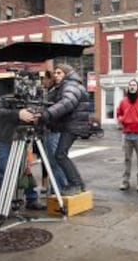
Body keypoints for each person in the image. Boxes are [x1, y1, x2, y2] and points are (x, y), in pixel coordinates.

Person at [37, 64, 91, 196]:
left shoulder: (70, 85)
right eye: (55, 73)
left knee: (60, 155)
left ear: (67, 74)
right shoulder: (65, 86)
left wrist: (48, 114)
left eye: (59, 73)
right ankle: (78, 184)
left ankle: (76, 184)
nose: (55, 75)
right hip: (71, 125)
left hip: (72, 125)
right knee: (61, 155)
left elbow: (67, 103)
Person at [0, 94, 43, 210]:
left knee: (24, 169)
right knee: (5, 169)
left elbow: (36, 111)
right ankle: (4, 202)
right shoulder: (4, 95)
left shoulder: (29, 95)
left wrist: (36, 118)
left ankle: (31, 198)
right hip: (3, 138)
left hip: (21, 137)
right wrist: (18, 114)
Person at [35, 70, 68, 193]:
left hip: (54, 130)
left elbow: (55, 111)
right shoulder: (49, 92)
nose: (43, 81)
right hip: (49, 130)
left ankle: (59, 189)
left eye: (45, 79)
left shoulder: (57, 92)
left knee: (54, 161)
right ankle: (56, 188)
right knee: (50, 162)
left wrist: (43, 114)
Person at [116, 78, 138, 191]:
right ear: (128, 88)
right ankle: (125, 182)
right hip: (127, 134)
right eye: (130, 85)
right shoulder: (123, 101)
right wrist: (122, 119)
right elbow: (118, 113)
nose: (132, 87)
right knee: (127, 160)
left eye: (134, 85)